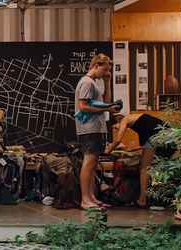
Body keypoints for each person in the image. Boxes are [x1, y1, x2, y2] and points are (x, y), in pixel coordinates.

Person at [75, 53, 117, 210]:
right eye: (104, 70)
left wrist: (108, 81)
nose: (106, 73)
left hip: (96, 128)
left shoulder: (95, 83)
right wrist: (106, 108)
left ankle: (91, 197)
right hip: (89, 129)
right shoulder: (86, 82)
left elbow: (107, 102)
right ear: (95, 66)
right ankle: (85, 199)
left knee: (93, 165)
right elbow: (83, 106)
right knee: (88, 163)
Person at [106, 113, 169, 208]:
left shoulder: (125, 120)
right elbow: (143, 146)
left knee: (144, 168)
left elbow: (118, 140)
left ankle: (142, 200)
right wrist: (129, 150)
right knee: (150, 166)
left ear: (118, 121)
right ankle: (150, 198)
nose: (117, 130)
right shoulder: (138, 121)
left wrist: (108, 150)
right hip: (166, 134)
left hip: (159, 135)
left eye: (116, 128)